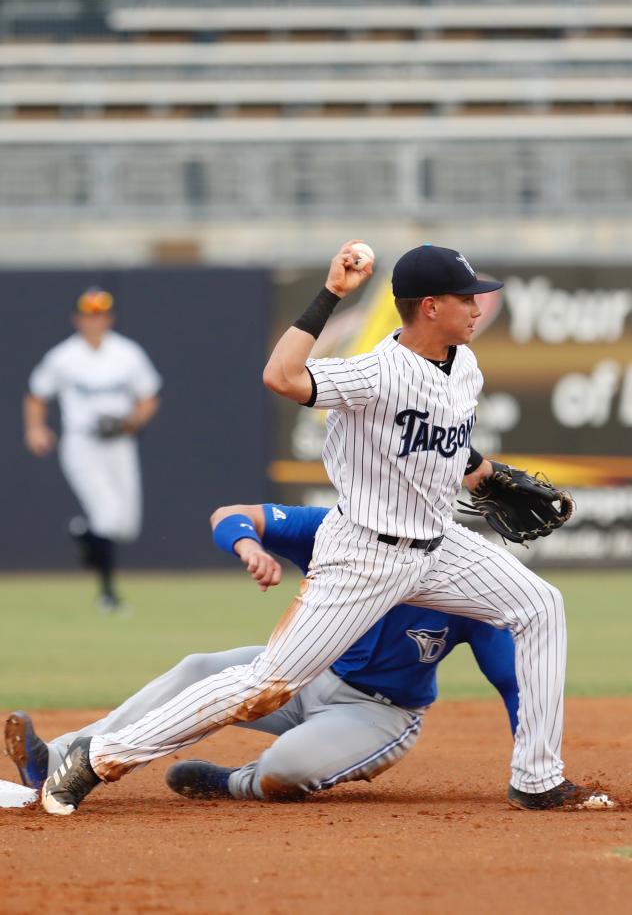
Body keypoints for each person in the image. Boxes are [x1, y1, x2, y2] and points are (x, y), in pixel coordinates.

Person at [40, 242, 614, 814]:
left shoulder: (464, 366)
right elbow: (281, 375)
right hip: (366, 550)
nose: (478, 308)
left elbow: (441, 444)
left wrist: (485, 476)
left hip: (439, 544)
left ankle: (537, 779)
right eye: (467, 299)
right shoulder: (375, 372)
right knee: (264, 684)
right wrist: (333, 292)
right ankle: (97, 757)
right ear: (430, 307)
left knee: (540, 605)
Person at [5, 501, 517, 800]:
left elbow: (512, 681)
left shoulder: (468, 580)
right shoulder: (339, 528)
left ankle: (236, 783)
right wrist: (248, 547)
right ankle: (57, 758)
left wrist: (535, 773)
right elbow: (232, 515)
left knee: (287, 768)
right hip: (305, 672)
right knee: (199, 670)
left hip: (377, 713)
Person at [24, 288, 161, 610]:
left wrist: (131, 422)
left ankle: (82, 532)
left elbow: (149, 396)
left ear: (109, 318)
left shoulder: (127, 353)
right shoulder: (64, 356)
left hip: (119, 442)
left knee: (125, 525)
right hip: (82, 442)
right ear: (77, 319)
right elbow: (36, 393)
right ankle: (108, 595)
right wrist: (35, 428)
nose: (95, 321)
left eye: (100, 314)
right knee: (108, 517)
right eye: (89, 315)